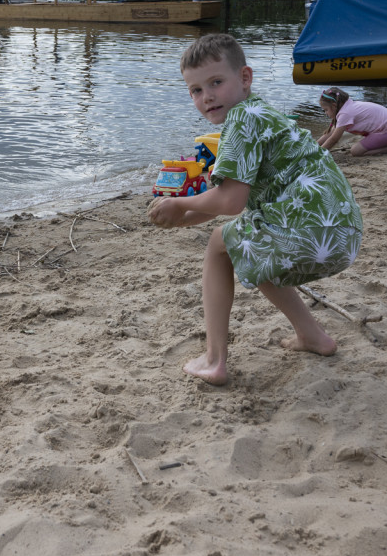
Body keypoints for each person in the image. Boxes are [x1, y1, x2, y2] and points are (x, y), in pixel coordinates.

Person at [148, 34, 363, 386]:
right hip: (339, 231)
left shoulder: (241, 119)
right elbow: (238, 202)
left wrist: (179, 202)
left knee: (221, 244)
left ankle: (215, 359)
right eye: (196, 90)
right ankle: (312, 337)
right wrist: (182, 217)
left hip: (312, 229)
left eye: (216, 82)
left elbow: (228, 201)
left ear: (244, 78)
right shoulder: (260, 111)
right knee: (247, 242)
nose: (207, 97)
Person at [317, 87, 387, 156]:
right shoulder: (347, 106)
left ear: (334, 106)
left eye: (325, 110)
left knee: (356, 151)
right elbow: (330, 133)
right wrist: (313, 146)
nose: (325, 113)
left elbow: (334, 139)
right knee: (356, 149)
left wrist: (318, 154)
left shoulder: (345, 114)